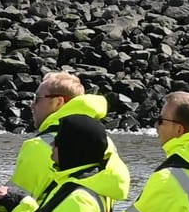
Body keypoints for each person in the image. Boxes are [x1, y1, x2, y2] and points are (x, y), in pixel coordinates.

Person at [10, 71, 129, 202]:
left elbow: (11, 204)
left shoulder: (39, 146)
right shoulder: (105, 142)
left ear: (58, 102)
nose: (32, 105)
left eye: (37, 99)